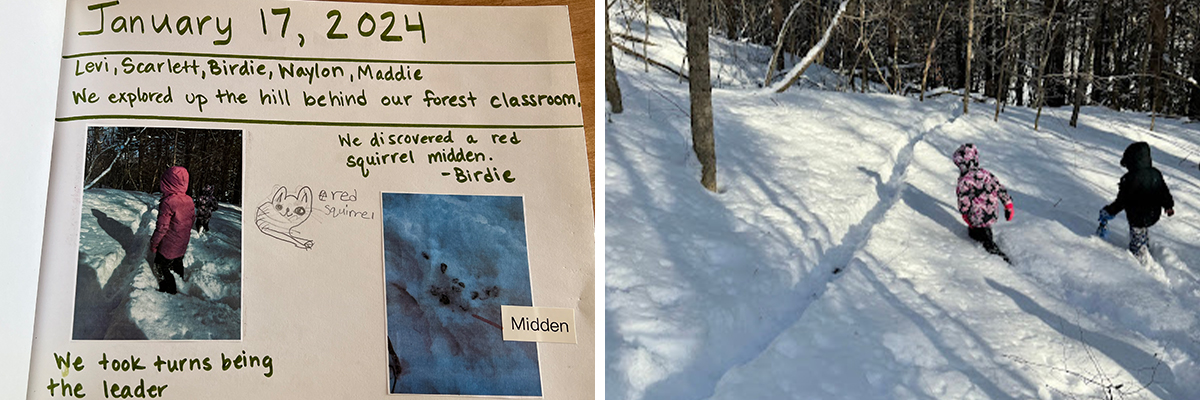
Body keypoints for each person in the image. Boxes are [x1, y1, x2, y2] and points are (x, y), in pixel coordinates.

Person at [1099, 142, 1174, 263]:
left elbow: (1121, 202)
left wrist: (1109, 211)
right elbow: (1163, 192)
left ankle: (1139, 256)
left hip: (1137, 216)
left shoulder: (1129, 179)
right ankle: (1145, 243)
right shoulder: (1155, 173)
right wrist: (1169, 206)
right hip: (1154, 214)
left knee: (1138, 229)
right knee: (1144, 223)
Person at [953, 143, 1014, 263]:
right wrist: (1008, 205)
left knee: (978, 235)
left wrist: (965, 216)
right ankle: (988, 239)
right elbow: (1000, 189)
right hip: (991, 213)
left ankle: (995, 254)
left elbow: (963, 201)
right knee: (985, 228)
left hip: (976, 217)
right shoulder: (986, 174)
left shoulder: (964, 181)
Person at [148, 166, 195, 294]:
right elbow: (192, 221)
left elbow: (162, 228)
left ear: (167, 183)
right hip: (182, 243)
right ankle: (181, 281)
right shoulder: (189, 200)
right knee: (177, 261)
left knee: (161, 265)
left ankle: (169, 290)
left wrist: (154, 243)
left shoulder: (168, 202)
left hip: (168, 246)